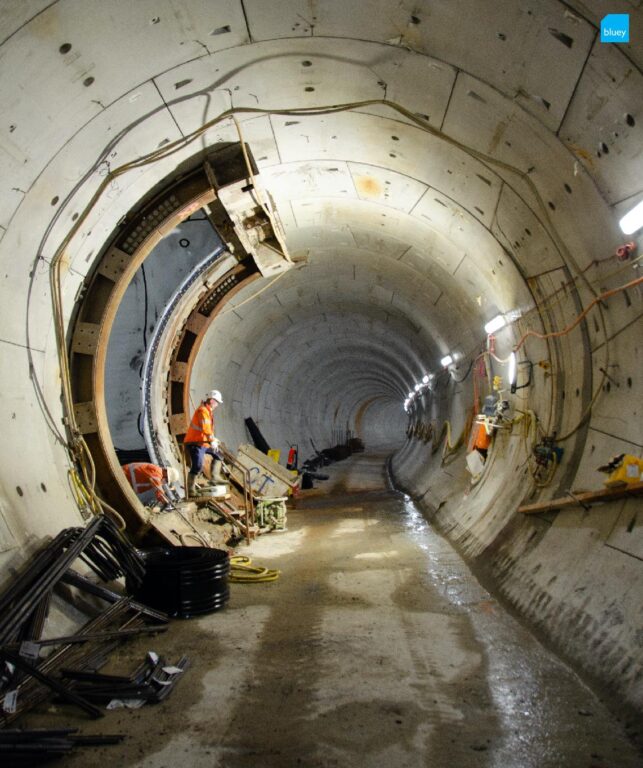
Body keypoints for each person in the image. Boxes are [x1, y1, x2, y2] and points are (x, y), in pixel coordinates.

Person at [184, 389, 225, 496]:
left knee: (219, 454)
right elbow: (206, 428)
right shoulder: (202, 411)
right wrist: (212, 440)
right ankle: (191, 490)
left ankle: (215, 477)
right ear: (211, 400)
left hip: (203, 443)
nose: (217, 405)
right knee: (198, 465)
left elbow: (208, 430)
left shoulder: (208, 411)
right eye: (217, 402)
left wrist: (214, 439)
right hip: (195, 443)